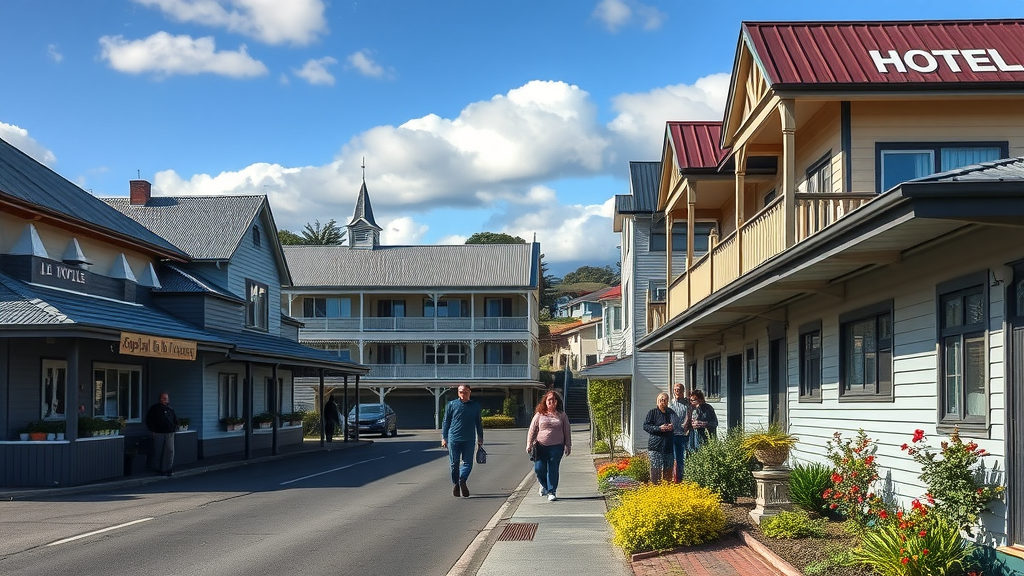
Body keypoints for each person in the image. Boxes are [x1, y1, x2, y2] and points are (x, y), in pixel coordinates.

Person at [526, 390, 572, 501]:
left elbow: (567, 430)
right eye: (549, 400)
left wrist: (568, 445)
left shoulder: (562, 415)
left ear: (557, 402)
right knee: (539, 469)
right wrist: (529, 444)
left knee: (553, 469)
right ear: (545, 402)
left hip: (557, 447)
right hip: (541, 446)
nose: (552, 402)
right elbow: (532, 430)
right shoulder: (539, 414)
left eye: (554, 399)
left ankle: (552, 491)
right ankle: (545, 486)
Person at [441, 384, 484, 497]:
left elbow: (478, 423)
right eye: (460, 392)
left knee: (468, 463)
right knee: (454, 463)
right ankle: (456, 484)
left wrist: (480, 437)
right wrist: (444, 437)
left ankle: (462, 479)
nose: (462, 394)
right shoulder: (452, 405)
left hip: (469, 439)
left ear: (469, 392)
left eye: (465, 392)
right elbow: (446, 422)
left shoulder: (475, 406)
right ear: (458, 393)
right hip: (453, 439)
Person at [643, 392, 676, 483]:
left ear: (667, 401)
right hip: (655, 445)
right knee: (655, 468)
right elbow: (646, 426)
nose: (662, 401)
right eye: (660, 400)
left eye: (664, 400)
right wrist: (659, 428)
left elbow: (677, 425)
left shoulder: (671, 413)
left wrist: (671, 426)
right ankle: (655, 488)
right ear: (657, 401)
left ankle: (667, 487)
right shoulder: (652, 412)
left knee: (668, 467)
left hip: (668, 445)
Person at [145, 392, 178, 477]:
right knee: (159, 450)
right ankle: (159, 468)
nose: (166, 399)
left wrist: (175, 427)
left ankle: (168, 468)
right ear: (161, 399)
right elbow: (149, 420)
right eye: (165, 398)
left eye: (167, 398)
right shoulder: (154, 409)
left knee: (170, 450)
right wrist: (152, 430)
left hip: (170, 432)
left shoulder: (170, 409)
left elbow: (175, 419)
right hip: (158, 432)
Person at [667, 383, 691, 483]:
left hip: (685, 435)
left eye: (680, 390)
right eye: (676, 389)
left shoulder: (687, 404)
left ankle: (685, 478)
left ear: (683, 391)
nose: (678, 391)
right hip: (673, 435)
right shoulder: (670, 404)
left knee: (685, 457)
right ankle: (676, 479)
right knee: (675, 458)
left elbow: (690, 415)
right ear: (673, 391)